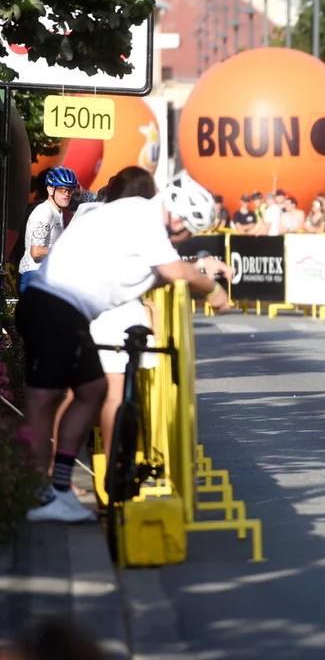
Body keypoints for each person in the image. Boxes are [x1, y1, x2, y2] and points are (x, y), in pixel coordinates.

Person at [14, 172, 233, 523]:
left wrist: (201, 268)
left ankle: (57, 489)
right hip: (52, 306)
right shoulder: (145, 217)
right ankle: (36, 491)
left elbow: (154, 273)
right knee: (44, 400)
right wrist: (213, 290)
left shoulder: (137, 216)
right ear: (178, 218)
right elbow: (174, 271)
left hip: (67, 311)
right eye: (191, 230)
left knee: (93, 390)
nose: (189, 238)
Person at [70, 167, 162, 471]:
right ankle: (105, 464)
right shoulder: (126, 221)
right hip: (94, 310)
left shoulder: (91, 215)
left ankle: (85, 466)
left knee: (91, 394)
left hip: (86, 308)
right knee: (103, 396)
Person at [17, 167, 78, 293]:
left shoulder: (56, 212)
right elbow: (37, 251)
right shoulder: (44, 212)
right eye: (62, 190)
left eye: (70, 190)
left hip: (45, 276)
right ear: (50, 189)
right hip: (35, 275)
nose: (67, 194)